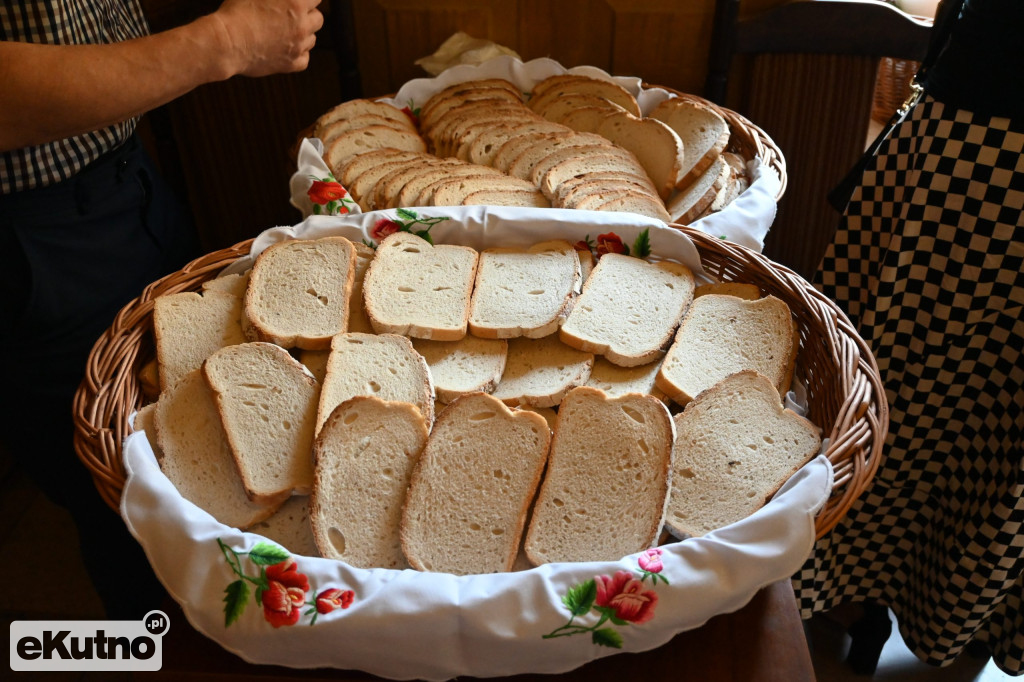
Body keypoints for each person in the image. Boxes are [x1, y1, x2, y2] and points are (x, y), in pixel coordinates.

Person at [0, 0, 323, 619]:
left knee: (192, 413)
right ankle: (154, 649)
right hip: (33, 238)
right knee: (123, 508)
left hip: (126, 172)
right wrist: (225, 41)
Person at [794, 0, 1024, 674]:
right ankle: (918, 605)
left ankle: (935, 609)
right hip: (971, 122)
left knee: (911, 391)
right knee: (892, 388)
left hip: (981, 143)